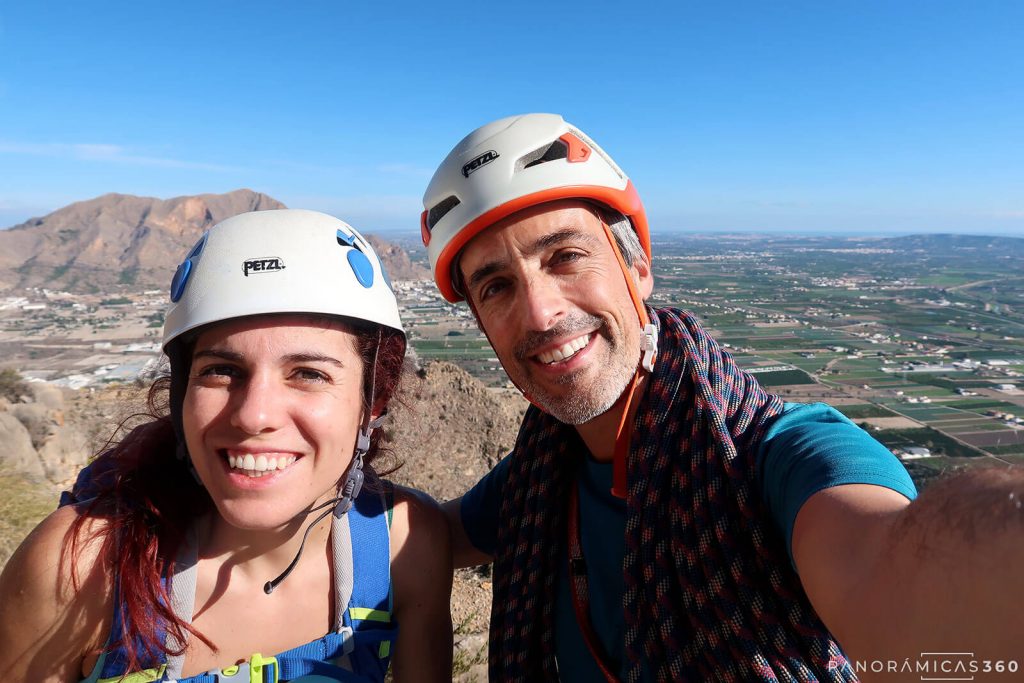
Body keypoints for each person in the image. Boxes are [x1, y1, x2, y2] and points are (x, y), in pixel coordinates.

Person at [420, 113, 1024, 682]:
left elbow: (897, 570)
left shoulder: (773, 459)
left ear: (637, 269)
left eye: (567, 256)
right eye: (496, 286)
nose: (539, 311)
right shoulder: (538, 478)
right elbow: (418, 539)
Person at [0, 209, 453, 682]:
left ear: (372, 400)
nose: (254, 415)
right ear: (181, 395)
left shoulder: (404, 546)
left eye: (309, 374)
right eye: (221, 370)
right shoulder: (80, 568)